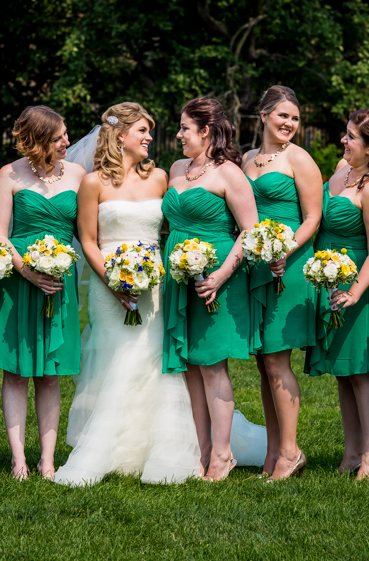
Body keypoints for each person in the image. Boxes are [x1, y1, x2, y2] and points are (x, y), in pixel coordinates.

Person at [53, 102, 202, 486]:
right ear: (121, 136)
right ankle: (109, 446)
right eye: (143, 131)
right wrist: (114, 282)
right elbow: (87, 240)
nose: (150, 138)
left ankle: (157, 447)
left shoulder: (160, 179)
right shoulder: (93, 183)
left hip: (153, 286)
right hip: (109, 286)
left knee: (150, 361)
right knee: (115, 360)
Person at [162, 96, 259, 481]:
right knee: (189, 368)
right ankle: (202, 452)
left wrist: (220, 276)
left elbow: (251, 232)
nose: (179, 134)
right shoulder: (176, 168)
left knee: (213, 367)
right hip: (178, 278)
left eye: (185, 128)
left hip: (214, 282)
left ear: (206, 131)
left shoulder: (229, 173)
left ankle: (223, 454)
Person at [0, 105, 84, 480]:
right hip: (20, 280)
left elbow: (89, 231)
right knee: (15, 372)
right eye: (60, 136)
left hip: (61, 281)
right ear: (39, 139)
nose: (67, 142)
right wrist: (29, 273)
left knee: (50, 373)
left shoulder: (78, 174)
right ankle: (18, 460)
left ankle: (47, 460)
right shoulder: (9, 174)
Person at [304, 107, 369, 480]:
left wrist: (355, 292)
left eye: (351, 137)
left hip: (361, 285)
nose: (343, 140)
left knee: (361, 372)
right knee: (343, 371)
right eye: (345, 133)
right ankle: (351, 453)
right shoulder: (342, 171)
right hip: (331, 280)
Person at [242, 86, 323, 480]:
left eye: (295, 118)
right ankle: (274, 453)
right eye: (283, 116)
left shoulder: (300, 159)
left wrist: (285, 250)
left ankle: (291, 451)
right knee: (262, 362)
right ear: (263, 116)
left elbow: (312, 218)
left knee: (276, 358)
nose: (290, 124)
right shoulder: (246, 160)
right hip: (257, 264)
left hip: (288, 265)